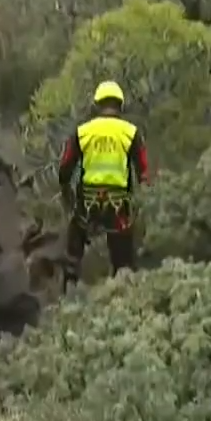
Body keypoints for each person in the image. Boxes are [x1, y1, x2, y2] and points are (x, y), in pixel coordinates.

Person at [55, 80, 151, 288]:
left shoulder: (83, 132)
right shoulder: (130, 132)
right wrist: (144, 196)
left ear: (97, 105)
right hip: (119, 204)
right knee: (123, 260)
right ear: (120, 105)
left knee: (74, 249)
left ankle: (69, 291)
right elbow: (143, 168)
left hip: (88, 202)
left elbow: (65, 165)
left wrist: (65, 190)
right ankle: (125, 294)